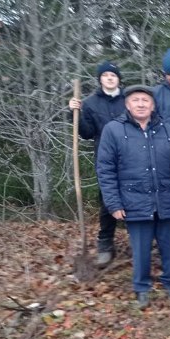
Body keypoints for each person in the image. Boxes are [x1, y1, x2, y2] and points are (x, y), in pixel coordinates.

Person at [96, 85, 170, 308]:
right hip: (134, 201)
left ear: (153, 105)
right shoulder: (114, 130)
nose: (141, 104)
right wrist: (113, 203)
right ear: (127, 105)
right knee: (141, 249)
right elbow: (105, 169)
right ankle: (141, 288)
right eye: (136, 100)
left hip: (165, 199)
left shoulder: (167, 129)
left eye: (145, 100)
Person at [68, 60, 125, 267]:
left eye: (113, 75)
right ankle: (105, 244)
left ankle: (139, 241)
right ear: (100, 79)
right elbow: (86, 133)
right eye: (106, 75)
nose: (110, 78)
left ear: (118, 79)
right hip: (105, 158)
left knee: (134, 198)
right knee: (107, 202)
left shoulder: (128, 99)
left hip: (131, 156)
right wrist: (75, 113)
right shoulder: (90, 103)